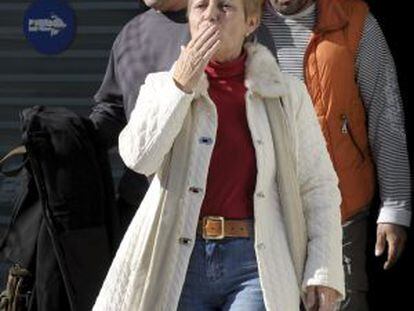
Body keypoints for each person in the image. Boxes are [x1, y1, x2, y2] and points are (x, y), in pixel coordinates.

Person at [93, 0, 345, 310]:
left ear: (251, 23)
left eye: (225, 6)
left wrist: (324, 270)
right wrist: (179, 86)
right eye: (200, 6)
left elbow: (317, 185)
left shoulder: (286, 94)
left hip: (255, 261)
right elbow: (139, 158)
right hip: (179, 258)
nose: (211, 13)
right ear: (189, 19)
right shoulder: (161, 87)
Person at [257, 0, 412, 309]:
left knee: (341, 302)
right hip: (264, 209)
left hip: (342, 205)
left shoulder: (353, 19)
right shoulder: (242, 16)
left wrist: (395, 206)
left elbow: (386, 112)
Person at [89, 0, 190, 233]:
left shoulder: (224, 27)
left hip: (200, 214)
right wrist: (74, 136)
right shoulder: (131, 33)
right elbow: (115, 109)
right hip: (138, 205)